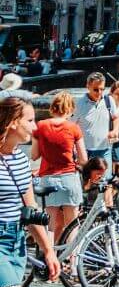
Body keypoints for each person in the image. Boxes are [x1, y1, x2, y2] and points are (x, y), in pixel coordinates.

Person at [0, 98, 60, 287]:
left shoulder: (21, 160)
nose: (35, 127)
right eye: (30, 120)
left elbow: (30, 208)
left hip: (16, 244)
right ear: (13, 123)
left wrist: (48, 251)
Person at [30, 91, 88, 242]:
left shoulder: (40, 126)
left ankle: (50, 260)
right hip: (69, 178)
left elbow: (34, 155)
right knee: (72, 225)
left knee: (50, 225)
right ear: (70, 109)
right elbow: (83, 159)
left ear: (52, 108)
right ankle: (73, 263)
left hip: (48, 179)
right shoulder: (74, 128)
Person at [73, 73, 117, 187]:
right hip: (85, 151)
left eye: (102, 89)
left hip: (104, 149)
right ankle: (83, 204)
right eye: (96, 89)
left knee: (106, 182)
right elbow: (72, 125)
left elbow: (115, 117)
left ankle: (107, 205)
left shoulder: (109, 101)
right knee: (85, 183)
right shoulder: (79, 103)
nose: (99, 93)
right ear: (88, 86)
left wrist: (115, 130)